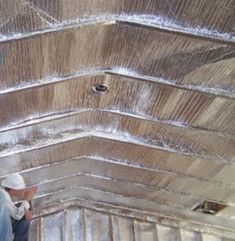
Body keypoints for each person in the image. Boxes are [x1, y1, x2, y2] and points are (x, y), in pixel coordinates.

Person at [0, 173, 37, 241]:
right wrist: (27, 198)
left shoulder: (2, 192)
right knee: (24, 219)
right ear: (13, 190)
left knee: (23, 212)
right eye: (21, 189)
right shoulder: (3, 197)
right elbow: (17, 215)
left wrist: (26, 206)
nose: (23, 191)